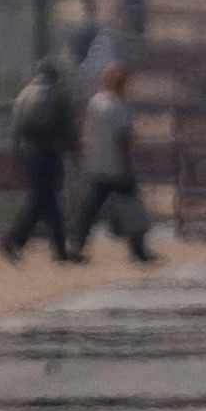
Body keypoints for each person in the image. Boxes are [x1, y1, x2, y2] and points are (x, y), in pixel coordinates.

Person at [64, 57, 155, 261]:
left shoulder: (95, 102)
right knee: (132, 207)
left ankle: (76, 246)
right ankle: (138, 251)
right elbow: (123, 138)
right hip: (117, 166)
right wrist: (127, 163)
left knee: (90, 209)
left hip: (97, 164)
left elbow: (86, 132)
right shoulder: (119, 106)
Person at [0, 56, 75, 260]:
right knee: (42, 201)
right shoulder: (58, 94)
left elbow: (14, 128)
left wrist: (15, 155)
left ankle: (59, 250)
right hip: (49, 152)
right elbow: (68, 126)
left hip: (28, 152)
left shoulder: (24, 94)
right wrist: (74, 148)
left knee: (47, 201)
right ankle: (12, 240)